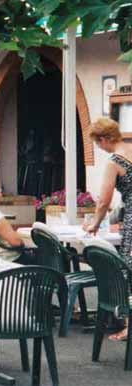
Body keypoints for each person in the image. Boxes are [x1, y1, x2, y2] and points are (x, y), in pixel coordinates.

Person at [83, 117, 132, 341]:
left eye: (97, 143)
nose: (99, 148)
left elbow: (104, 200)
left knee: (129, 271)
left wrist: (94, 223)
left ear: (103, 139)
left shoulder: (115, 161)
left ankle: (129, 328)